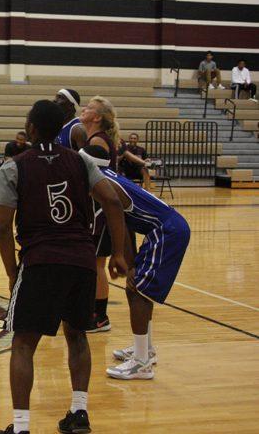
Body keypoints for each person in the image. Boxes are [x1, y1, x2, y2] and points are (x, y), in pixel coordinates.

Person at [0, 100, 128, 434]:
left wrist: (12, 272)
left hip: (41, 260)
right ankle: (79, 413)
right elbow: (113, 201)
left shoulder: (14, 167)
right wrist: (119, 254)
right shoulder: (80, 162)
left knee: (23, 343)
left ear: (32, 129)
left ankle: (21, 427)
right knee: (77, 336)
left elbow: (2, 229)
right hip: (81, 260)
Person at [80, 145, 190, 381]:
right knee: (135, 286)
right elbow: (124, 223)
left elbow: (117, 218)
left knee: (139, 291)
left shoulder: (103, 184)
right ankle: (144, 349)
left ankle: (142, 363)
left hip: (167, 231)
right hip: (160, 230)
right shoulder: (105, 178)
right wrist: (129, 264)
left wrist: (118, 255)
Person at [79, 95, 120, 334]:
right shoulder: (95, 139)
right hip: (95, 210)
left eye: (89, 108)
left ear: (97, 117)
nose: (84, 109)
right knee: (93, 263)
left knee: (97, 264)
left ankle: (99, 317)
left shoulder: (98, 143)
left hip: (100, 211)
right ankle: (91, 310)